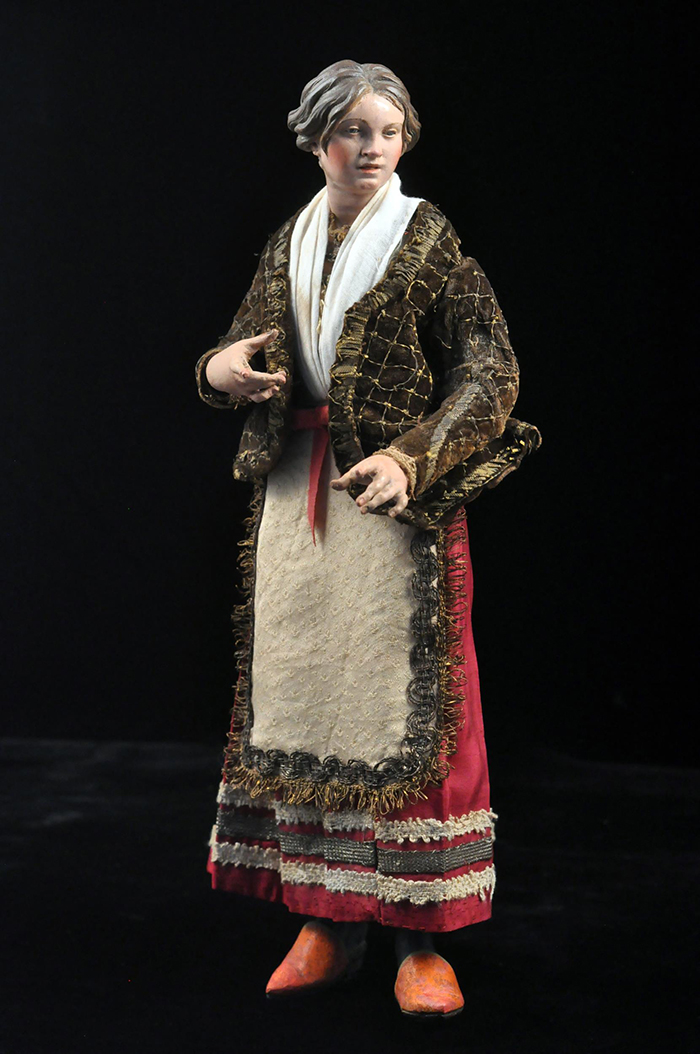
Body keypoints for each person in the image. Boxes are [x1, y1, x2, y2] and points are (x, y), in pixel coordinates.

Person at [196, 60, 540, 1017]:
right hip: (295, 498)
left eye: (387, 131)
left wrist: (411, 458)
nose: (373, 148)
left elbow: (491, 372)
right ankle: (326, 919)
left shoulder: (428, 240)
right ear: (318, 141)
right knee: (308, 698)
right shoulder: (290, 241)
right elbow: (238, 344)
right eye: (353, 130)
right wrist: (222, 368)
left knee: (404, 710)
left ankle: (419, 940)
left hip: (392, 505)